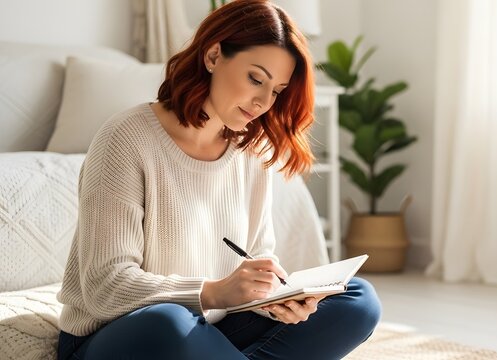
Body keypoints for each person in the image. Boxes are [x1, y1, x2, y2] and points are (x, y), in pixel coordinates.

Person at [55, 1, 381, 359]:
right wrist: (213, 292)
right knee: (169, 322)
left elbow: (257, 257)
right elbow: (105, 288)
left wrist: (275, 299)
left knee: (358, 299)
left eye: (276, 90)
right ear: (213, 56)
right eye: (255, 79)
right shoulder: (125, 139)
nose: (262, 102)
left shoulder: (250, 153)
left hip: (213, 327)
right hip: (123, 334)